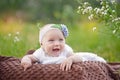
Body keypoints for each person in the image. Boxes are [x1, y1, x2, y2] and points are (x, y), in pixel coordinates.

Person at [21, 24, 106, 71]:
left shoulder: (65, 49)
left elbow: (77, 57)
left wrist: (71, 59)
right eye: (51, 40)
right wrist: (26, 61)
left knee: (89, 58)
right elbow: (29, 57)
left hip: (73, 59)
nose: (57, 44)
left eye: (61, 40)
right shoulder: (40, 53)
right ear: (42, 44)